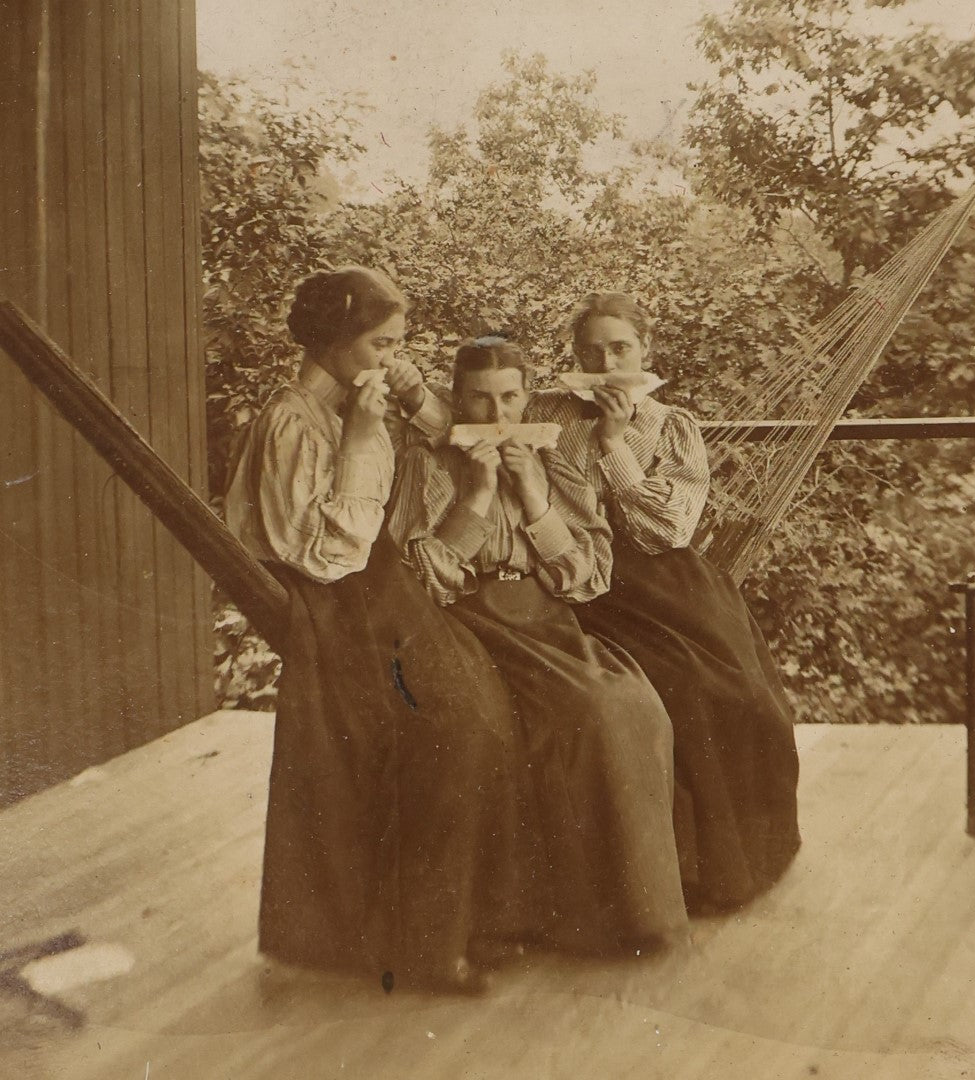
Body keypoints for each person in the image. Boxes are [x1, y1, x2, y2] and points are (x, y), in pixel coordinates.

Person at [223, 267, 527, 994]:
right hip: (333, 605)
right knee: (452, 728)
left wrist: (407, 393)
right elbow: (331, 552)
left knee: (482, 713)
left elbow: (451, 430)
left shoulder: (358, 394)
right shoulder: (293, 422)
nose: (391, 359)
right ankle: (425, 944)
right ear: (333, 341)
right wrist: (362, 434)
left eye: (398, 344)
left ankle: (464, 923)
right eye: (381, 344)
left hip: (377, 590)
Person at [387, 336, 688, 955]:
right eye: (479, 399)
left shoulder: (556, 459)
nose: (496, 417)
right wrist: (474, 496)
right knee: (528, 721)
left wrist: (532, 497)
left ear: (528, 399)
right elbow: (422, 581)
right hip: (465, 623)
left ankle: (624, 915)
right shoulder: (429, 460)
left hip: (546, 617)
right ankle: (530, 918)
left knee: (624, 708)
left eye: (509, 398)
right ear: (457, 398)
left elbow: (589, 573)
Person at [526, 292, 801, 914]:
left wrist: (614, 441)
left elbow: (669, 528)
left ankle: (743, 862)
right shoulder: (541, 412)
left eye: (620, 348)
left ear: (645, 351)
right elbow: (462, 418)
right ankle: (682, 876)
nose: (606, 363)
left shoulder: (672, 425)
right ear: (574, 355)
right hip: (582, 581)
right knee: (682, 692)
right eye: (591, 351)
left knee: (743, 698)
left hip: (665, 580)